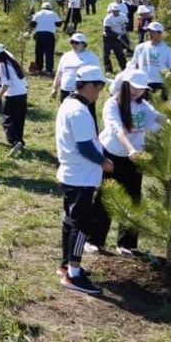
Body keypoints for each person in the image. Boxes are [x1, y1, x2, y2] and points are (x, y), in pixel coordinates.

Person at [55, 65, 113, 295]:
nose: (100, 91)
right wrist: (103, 162)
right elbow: (85, 146)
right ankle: (74, 274)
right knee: (81, 225)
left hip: (72, 173)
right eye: (99, 86)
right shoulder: (78, 111)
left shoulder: (69, 104)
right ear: (89, 85)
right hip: (81, 176)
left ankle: (65, 264)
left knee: (70, 221)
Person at [94, 70, 160, 254]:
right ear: (125, 84)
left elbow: (158, 118)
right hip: (113, 154)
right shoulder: (111, 104)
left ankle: (126, 243)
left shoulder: (143, 105)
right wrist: (130, 149)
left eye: (140, 89)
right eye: (133, 87)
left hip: (135, 157)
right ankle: (95, 239)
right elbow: (117, 130)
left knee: (133, 198)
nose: (137, 91)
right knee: (106, 196)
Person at [0, 43, 28, 155]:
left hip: (12, 95)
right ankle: (20, 141)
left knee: (6, 120)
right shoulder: (11, 61)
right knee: (19, 119)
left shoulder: (2, 65)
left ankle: (14, 141)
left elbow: (5, 84)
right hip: (23, 93)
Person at [131, 22, 171, 95]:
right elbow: (134, 65)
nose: (149, 33)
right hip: (143, 83)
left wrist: (169, 83)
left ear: (160, 33)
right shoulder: (140, 48)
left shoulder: (167, 50)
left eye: (153, 32)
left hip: (160, 84)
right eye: (148, 31)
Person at [53, 33, 101, 101]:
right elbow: (59, 73)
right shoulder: (66, 56)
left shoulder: (92, 57)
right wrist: (55, 88)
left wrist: (95, 93)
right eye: (72, 42)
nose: (73, 45)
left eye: (76, 43)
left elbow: (97, 76)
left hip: (84, 93)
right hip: (66, 90)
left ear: (83, 44)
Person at [31, 2, 60, 76]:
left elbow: (33, 24)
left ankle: (39, 69)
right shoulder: (54, 14)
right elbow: (59, 24)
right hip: (49, 35)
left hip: (39, 35)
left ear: (42, 8)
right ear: (50, 8)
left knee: (39, 52)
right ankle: (49, 71)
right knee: (49, 53)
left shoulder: (38, 13)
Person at [101, 3, 130, 74]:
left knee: (120, 53)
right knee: (106, 55)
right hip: (108, 38)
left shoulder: (123, 16)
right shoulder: (108, 18)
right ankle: (108, 70)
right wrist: (117, 35)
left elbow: (126, 23)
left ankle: (125, 68)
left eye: (117, 11)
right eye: (113, 11)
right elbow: (107, 30)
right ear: (111, 11)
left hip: (118, 38)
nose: (115, 12)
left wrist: (124, 28)